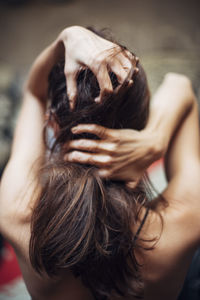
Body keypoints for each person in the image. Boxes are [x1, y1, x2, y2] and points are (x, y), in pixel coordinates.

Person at [0, 25, 199, 300]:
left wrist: (67, 37)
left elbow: (34, 91)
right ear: (140, 125)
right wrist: (156, 139)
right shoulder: (184, 222)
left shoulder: (15, 214)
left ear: (53, 125)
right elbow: (181, 85)